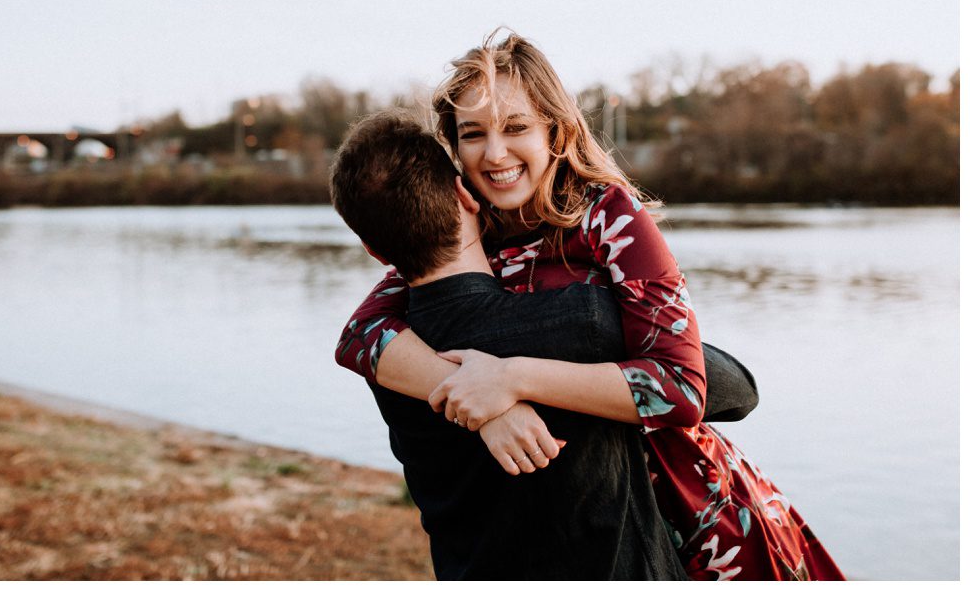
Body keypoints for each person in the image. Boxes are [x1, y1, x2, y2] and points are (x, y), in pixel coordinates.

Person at [334, 32, 844, 581]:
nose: (495, 153)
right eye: (474, 133)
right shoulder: (465, 224)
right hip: (579, 495)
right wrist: (485, 405)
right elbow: (361, 335)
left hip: (674, 479)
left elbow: (685, 386)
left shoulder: (606, 216)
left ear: (555, 130)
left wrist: (511, 378)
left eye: (516, 127)